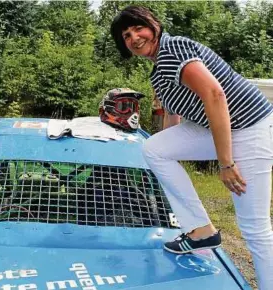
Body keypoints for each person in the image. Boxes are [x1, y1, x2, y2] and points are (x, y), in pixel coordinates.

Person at [111, 5, 273, 290]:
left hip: (250, 127)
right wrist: (164, 163)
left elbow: (214, 94)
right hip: (216, 128)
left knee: (253, 227)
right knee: (154, 149)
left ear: (154, 25)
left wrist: (226, 163)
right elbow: (174, 122)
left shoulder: (174, 49)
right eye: (126, 35)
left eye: (138, 28)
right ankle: (201, 231)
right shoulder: (158, 73)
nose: (134, 37)